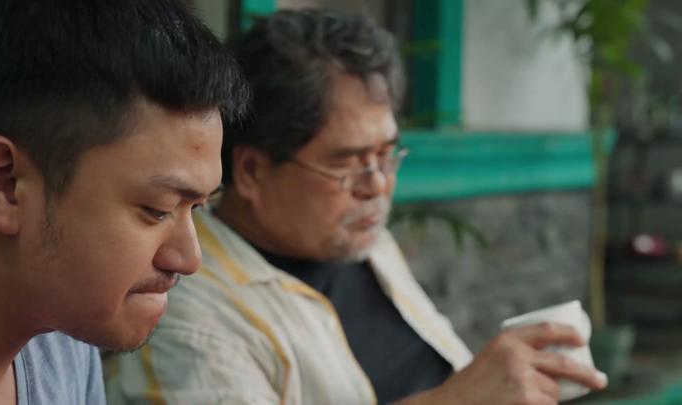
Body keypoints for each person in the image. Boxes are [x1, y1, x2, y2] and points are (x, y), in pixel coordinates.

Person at [105, 8, 607, 405]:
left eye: (386, 155)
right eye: (346, 163)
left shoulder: (362, 243)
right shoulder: (190, 320)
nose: (377, 185)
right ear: (253, 171)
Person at [0, 0, 248, 404]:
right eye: (158, 210)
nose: (188, 259)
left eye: (197, 208)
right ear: (4, 183)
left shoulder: (62, 339)